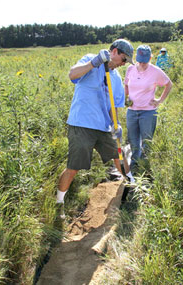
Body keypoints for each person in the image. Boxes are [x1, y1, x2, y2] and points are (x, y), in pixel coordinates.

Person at [56, 39, 134, 218]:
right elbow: (72, 75)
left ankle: (132, 185)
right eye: (123, 59)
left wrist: (117, 124)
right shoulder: (91, 59)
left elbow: (113, 106)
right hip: (81, 124)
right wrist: (93, 63)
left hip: (104, 126)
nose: (123, 64)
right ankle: (59, 202)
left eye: (126, 62)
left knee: (118, 156)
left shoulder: (116, 78)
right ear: (114, 51)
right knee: (74, 166)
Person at [125, 45, 173, 174]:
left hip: (148, 111)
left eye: (145, 61)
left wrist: (159, 101)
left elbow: (169, 84)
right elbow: (126, 85)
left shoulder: (155, 71)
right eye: (139, 61)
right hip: (132, 111)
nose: (142, 64)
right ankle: (134, 166)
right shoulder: (130, 69)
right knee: (133, 140)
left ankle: (145, 166)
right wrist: (126, 97)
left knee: (146, 141)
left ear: (150, 58)